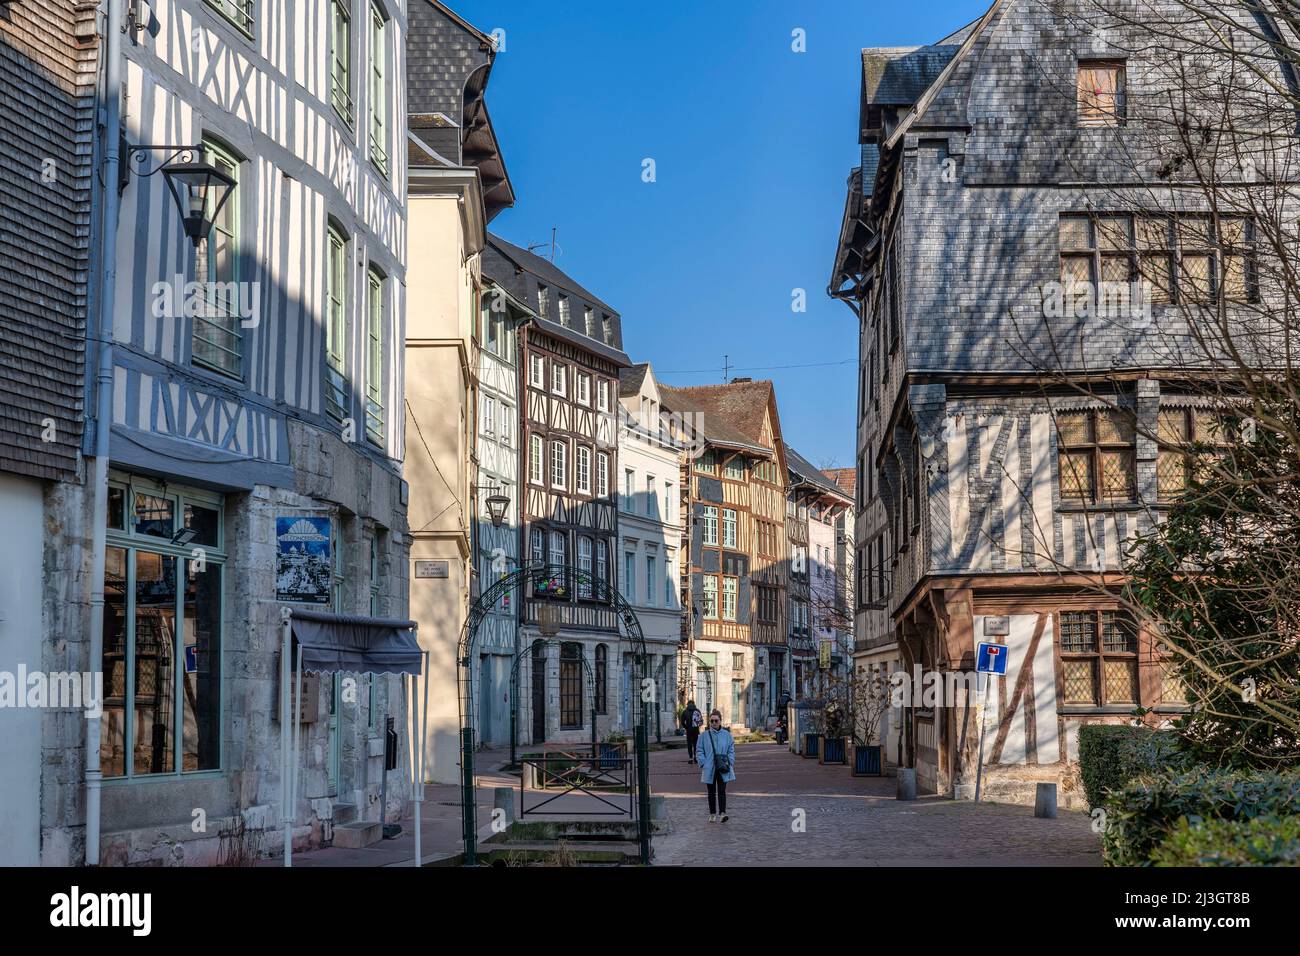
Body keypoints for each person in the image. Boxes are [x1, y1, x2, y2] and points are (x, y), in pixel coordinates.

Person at [697, 709, 736, 822]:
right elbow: (699, 750)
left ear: (720, 721)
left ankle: (723, 813)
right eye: (712, 721)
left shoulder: (727, 735)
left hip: (723, 766)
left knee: (722, 791)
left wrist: (730, 761)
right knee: (711, 792)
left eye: (716, 721)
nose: (714, 723)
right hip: (709, 767)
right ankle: (712, 814)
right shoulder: (704, 736)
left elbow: (731, 749)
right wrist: (703, 763)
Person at [682, 699, 702, 764]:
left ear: (687, 704)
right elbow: (700, 721)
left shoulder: (685, 712)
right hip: (696, 730)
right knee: (696, 744)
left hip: (689, 730)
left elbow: (682, 722)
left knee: (689, 744)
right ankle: (695, 757)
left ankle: (690, 758)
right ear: (694, 704)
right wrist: (697, 726)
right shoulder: (697, 711)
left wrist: (686, 727)